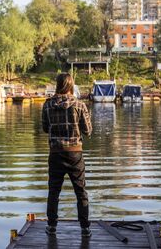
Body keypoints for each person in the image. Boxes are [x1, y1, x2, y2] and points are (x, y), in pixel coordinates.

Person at [41, 73, 93, 237]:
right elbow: (88, 131)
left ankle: (51, 226)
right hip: (75, 154)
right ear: (71, 86)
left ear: (57, 85)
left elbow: (44, 128)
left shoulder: (47, 105)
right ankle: (85, 228)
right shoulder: (80, 105)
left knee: (54, 191)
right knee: (80, 191)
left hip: (55, 153)